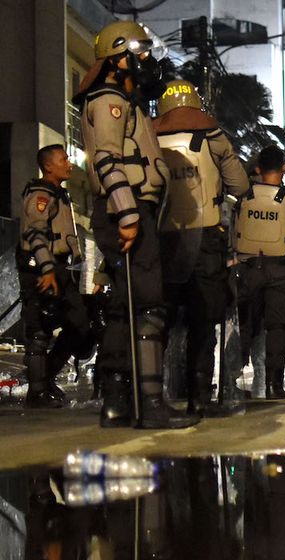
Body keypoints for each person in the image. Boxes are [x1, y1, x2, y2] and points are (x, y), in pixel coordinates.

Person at [75, 20, 198, 428]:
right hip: (123, 211)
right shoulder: (109, 100)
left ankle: (117, 403)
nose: (146, 61)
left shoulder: (127, 102)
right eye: (139, 53)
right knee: (148, 308)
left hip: (124, 211)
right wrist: (128, 214)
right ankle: (149, 403)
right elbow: (107, 160)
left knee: (121, 310)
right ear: (118, 57)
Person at [153, 79, 250, 414]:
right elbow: (240, 184)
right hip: (205, 237)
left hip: (163, 238)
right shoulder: (213, 137)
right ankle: (198, 397)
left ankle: (153, 395)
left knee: (158, 319)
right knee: (203, 320)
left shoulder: (149, 136)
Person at [233, 146, 285, 398]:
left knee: (245, 327)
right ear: (284, 168)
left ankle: (231, 382)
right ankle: (273, 385)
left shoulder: (243, 196)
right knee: (278, 326)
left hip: (248, 268)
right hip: (281, 268)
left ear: (258, 168)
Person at [17, 144, 91, 408]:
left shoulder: (60, 193)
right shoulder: (41, 194)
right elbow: (34, 234)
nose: (68, 163)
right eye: (63, 159)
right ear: (48, 166)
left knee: (79, 323)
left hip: (60, 269)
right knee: (39, 329)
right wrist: (47, 269)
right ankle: (37, 392)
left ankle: (44, 377)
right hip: (40, 269)